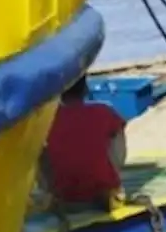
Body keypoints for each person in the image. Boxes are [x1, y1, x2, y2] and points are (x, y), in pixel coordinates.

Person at [42, 76, 127, 208]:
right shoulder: (103, 112)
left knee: (42, 148)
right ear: (85, 89)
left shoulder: (48, 120)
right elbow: (120, 145)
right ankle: (107, 180)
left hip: (64, 194)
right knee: (114, 132)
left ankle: (53, 192)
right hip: (103, 192)